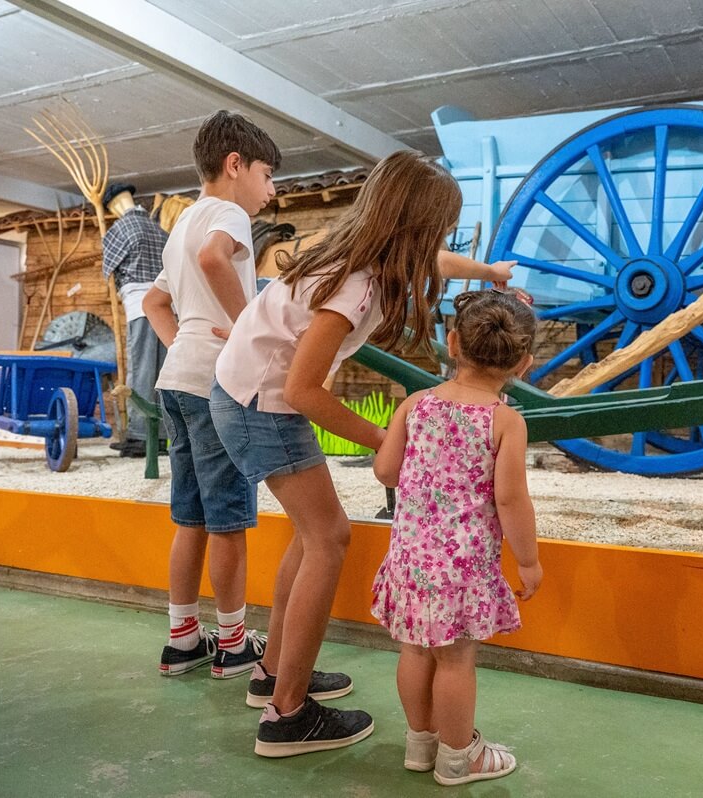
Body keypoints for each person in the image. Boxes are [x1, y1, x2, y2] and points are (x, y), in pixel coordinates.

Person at [209, 150, 516, 757]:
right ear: (416, 225)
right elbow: (303, 390)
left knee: (310, 537)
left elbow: (433, 260)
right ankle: (287, 715)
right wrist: (385, 438)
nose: (441, 242)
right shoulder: (354, 285)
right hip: (260, 405)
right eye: (440, 228)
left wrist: (490, 273)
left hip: (249, 394)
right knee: (330, 538)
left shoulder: (357, 247)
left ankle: (276, 672)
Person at [370, 289, 541, 786]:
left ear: (453, 344)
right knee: (456, 660)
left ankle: (420, 743)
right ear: (524, 363)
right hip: (461, 570)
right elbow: (511, 499)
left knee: (414, 650)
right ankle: (457, 758)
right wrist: (528, 561)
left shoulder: (416, 404)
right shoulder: (505, 421)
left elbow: (385, 471)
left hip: (410, 559)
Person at [142, 110, 277, 679]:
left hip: (176, 380)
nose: (271, 192)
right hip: (212, 384)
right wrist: (252, 329)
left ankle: (182, 640)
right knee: (228, 521)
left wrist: (185, 343)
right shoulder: (229, 214)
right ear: (235, 165)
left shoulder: (182, 224)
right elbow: (213, 258)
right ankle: (234, 644)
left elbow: (153, 303)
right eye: (267, 176)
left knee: (190, 517)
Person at [101, 182, 169, 457]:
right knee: (163, 372)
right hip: (167, 307)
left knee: (141, 370)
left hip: (140, 307)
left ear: (114, 206)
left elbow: (109, 270)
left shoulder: (119, 230)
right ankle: (162, 435)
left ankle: (139, 436)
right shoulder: (160, 230)